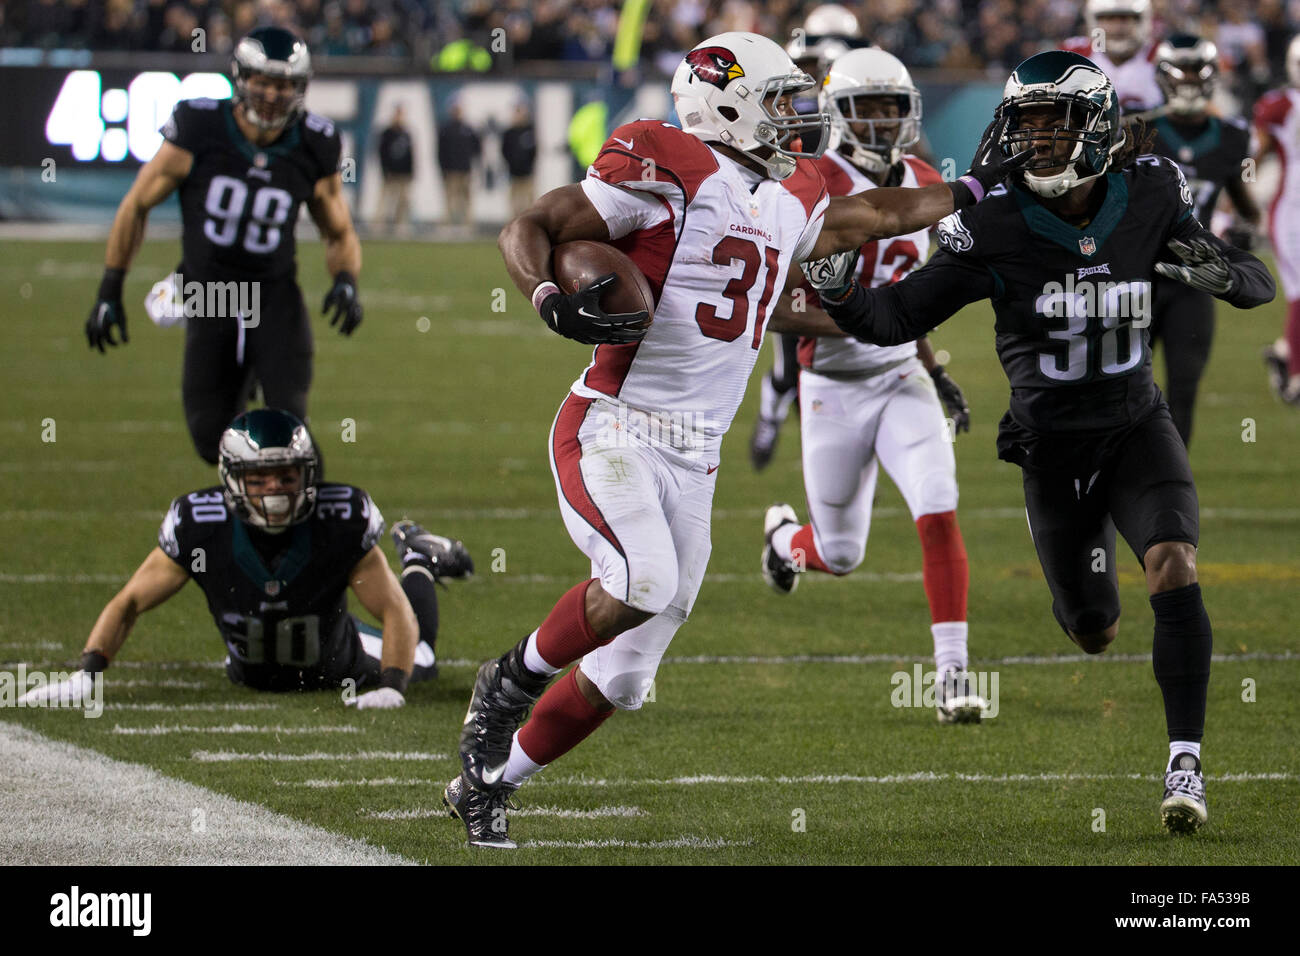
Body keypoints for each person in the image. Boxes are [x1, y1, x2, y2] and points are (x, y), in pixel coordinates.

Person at [444, 31, 1028, 848]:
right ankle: (508, 680)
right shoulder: (666, 162)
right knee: (641, 581)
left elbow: (868, 217)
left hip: (698, 454)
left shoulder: (794, 192)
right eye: (780, 101)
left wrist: (969, 187)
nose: (799, 118)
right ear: (723, 103)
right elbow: (532, 223)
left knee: (625, 676)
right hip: (615, 423)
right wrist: (546, 295)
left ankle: (486, 785)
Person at [807, 51, 1275, 834]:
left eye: (1054, 123)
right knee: (1093, 629)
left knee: (1174, 563)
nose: (1038, 140)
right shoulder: (992, 218)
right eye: (1025, 123)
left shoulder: (1152, 191)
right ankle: (1097, 608)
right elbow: (896, 320)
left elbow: (1251, 280)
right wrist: (840, 292)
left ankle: (1185, 763)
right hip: (1049, 446)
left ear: (1093, 126)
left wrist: (1229, 278)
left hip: (1134, 426)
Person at [759, 48, 984, 724]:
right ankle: (782, 543)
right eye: (870, 107)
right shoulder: (808, 184)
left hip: (899, 377)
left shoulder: (921, 178)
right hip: (832, 383)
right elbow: (769, 305)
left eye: (894, 106)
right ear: (838, 112)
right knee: (842, 552)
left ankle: (952, 678)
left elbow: (910, 298)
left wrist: (934, 368)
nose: (885, 120)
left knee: (938, 502)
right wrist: (858, 322)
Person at [18, 409, 473, 707]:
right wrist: (87, 676)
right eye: (259, 479)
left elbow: (393, 609)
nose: (274, 489)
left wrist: (393, 686)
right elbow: (129, 602)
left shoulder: (340, 518)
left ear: (308, 476)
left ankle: (418, 560)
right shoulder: (200, 524)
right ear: (233, 479)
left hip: (341, 662)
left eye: (286, 476)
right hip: (257, 667)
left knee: (422, 658)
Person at [84, 26, 365, 465]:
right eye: (263, 82)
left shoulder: (314, 142)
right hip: (208, 292)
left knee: (290, 430)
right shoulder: (199, 125)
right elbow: (136, 205)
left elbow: (339, 230)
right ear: (241, 78)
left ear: (300, 88)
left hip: (273, 292)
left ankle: (302, 520)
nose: (272, 94)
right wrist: (109, 288)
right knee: (209, 435)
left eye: (284, 84)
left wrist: (346, 279)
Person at [750, 4, 865, 472]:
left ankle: (844, 452)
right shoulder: (789, 96)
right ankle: (771, 418)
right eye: (816, 63)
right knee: (788, 360)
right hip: (793, 226)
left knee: (852, 347)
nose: (820, 72)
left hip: (843, 228)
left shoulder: (859, 85)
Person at [1146, 34, 1261, 444]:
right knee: (1120, 391)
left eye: (1198, 71)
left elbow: (1246, 207)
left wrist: (1245, 229)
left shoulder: (1231, 137)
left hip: (1194, 283)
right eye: (1183, 71)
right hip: (1135, 279)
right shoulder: (1138, 129)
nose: (1190, 80)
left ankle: (1170, 491)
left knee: (1183, 393)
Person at [1255, 35, 1300, 405]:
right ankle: (1296, 379)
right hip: (1292, 213)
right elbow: (1257, 155)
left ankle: (1285, 352)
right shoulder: (1282, 105)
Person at [1061, 0, 1162, 113]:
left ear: (1143, 20)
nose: (1117, 28)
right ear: (1093, 21)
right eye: (1108, 19)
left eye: (1125, 19)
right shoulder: (1074, 55)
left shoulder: (1159, 57)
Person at [437, 100, 481, 226]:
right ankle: (447, 223)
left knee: (466, 198)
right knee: (450, 198)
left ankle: (467, 224)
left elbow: (476, 147)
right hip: (450, 170)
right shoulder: (446, 129)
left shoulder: (468, 129)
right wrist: (443, 168)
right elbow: (441, 151)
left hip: (465, 169)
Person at [377, 105, 414, 236]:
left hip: (403, 174)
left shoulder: (406, 133)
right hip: (390, 173)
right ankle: (379, 226)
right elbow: (382, 153)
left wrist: (411, 172)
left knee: (403, 201)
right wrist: (384, 170)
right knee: (385, 200)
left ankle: (401, 226)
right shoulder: (387, 133)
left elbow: (411, 154)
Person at [501, 101, 538, 220]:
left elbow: (534, 151)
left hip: (527, 172)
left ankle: (529, 222)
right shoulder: (509, 133)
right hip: (513, 172)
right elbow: (504, 151)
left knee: (528, 201)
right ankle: (515, 222)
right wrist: (511, 163)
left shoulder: (529, 130)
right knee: (515, 200)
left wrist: (530, 165)